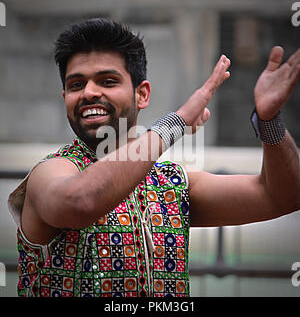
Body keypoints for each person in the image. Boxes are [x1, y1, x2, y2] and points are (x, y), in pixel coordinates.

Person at [8, 17, 300, 297]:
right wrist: (175, 124)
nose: (88, 92)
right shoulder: (51, 172)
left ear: (142, 95)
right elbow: (80, 202)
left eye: (107, 81)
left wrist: (269, 121)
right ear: (65, 99)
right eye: (76, 85)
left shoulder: (170, 183)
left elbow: (282, 196)